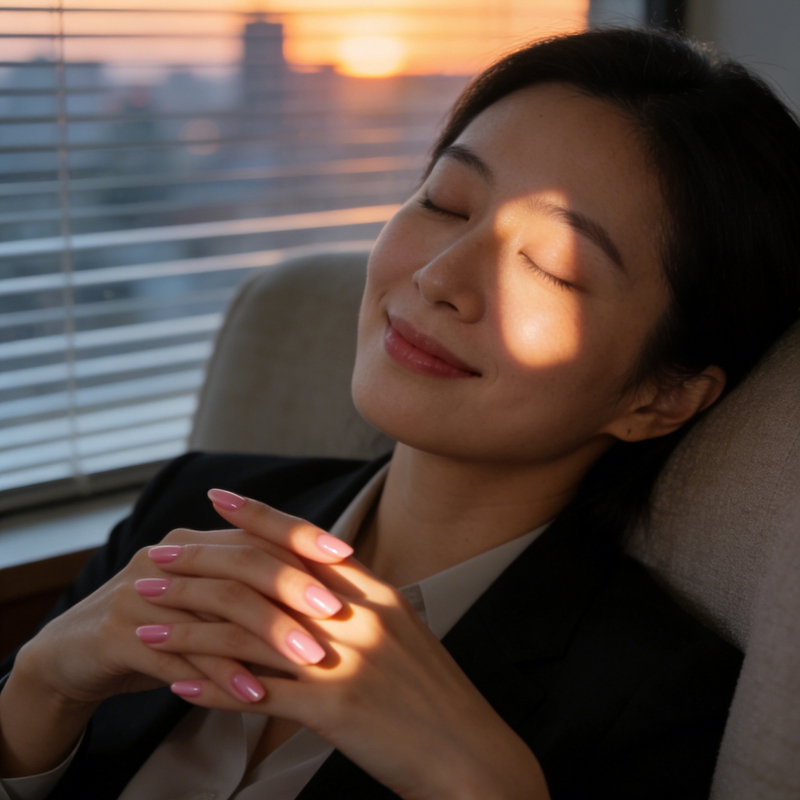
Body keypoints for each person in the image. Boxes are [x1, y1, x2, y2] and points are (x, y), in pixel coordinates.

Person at [2, 25, 800, 800]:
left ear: (661, 396)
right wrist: (38, 691)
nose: (441, 275)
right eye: (447, 202)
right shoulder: (186, 506)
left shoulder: (658, 700)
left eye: (552, 266)